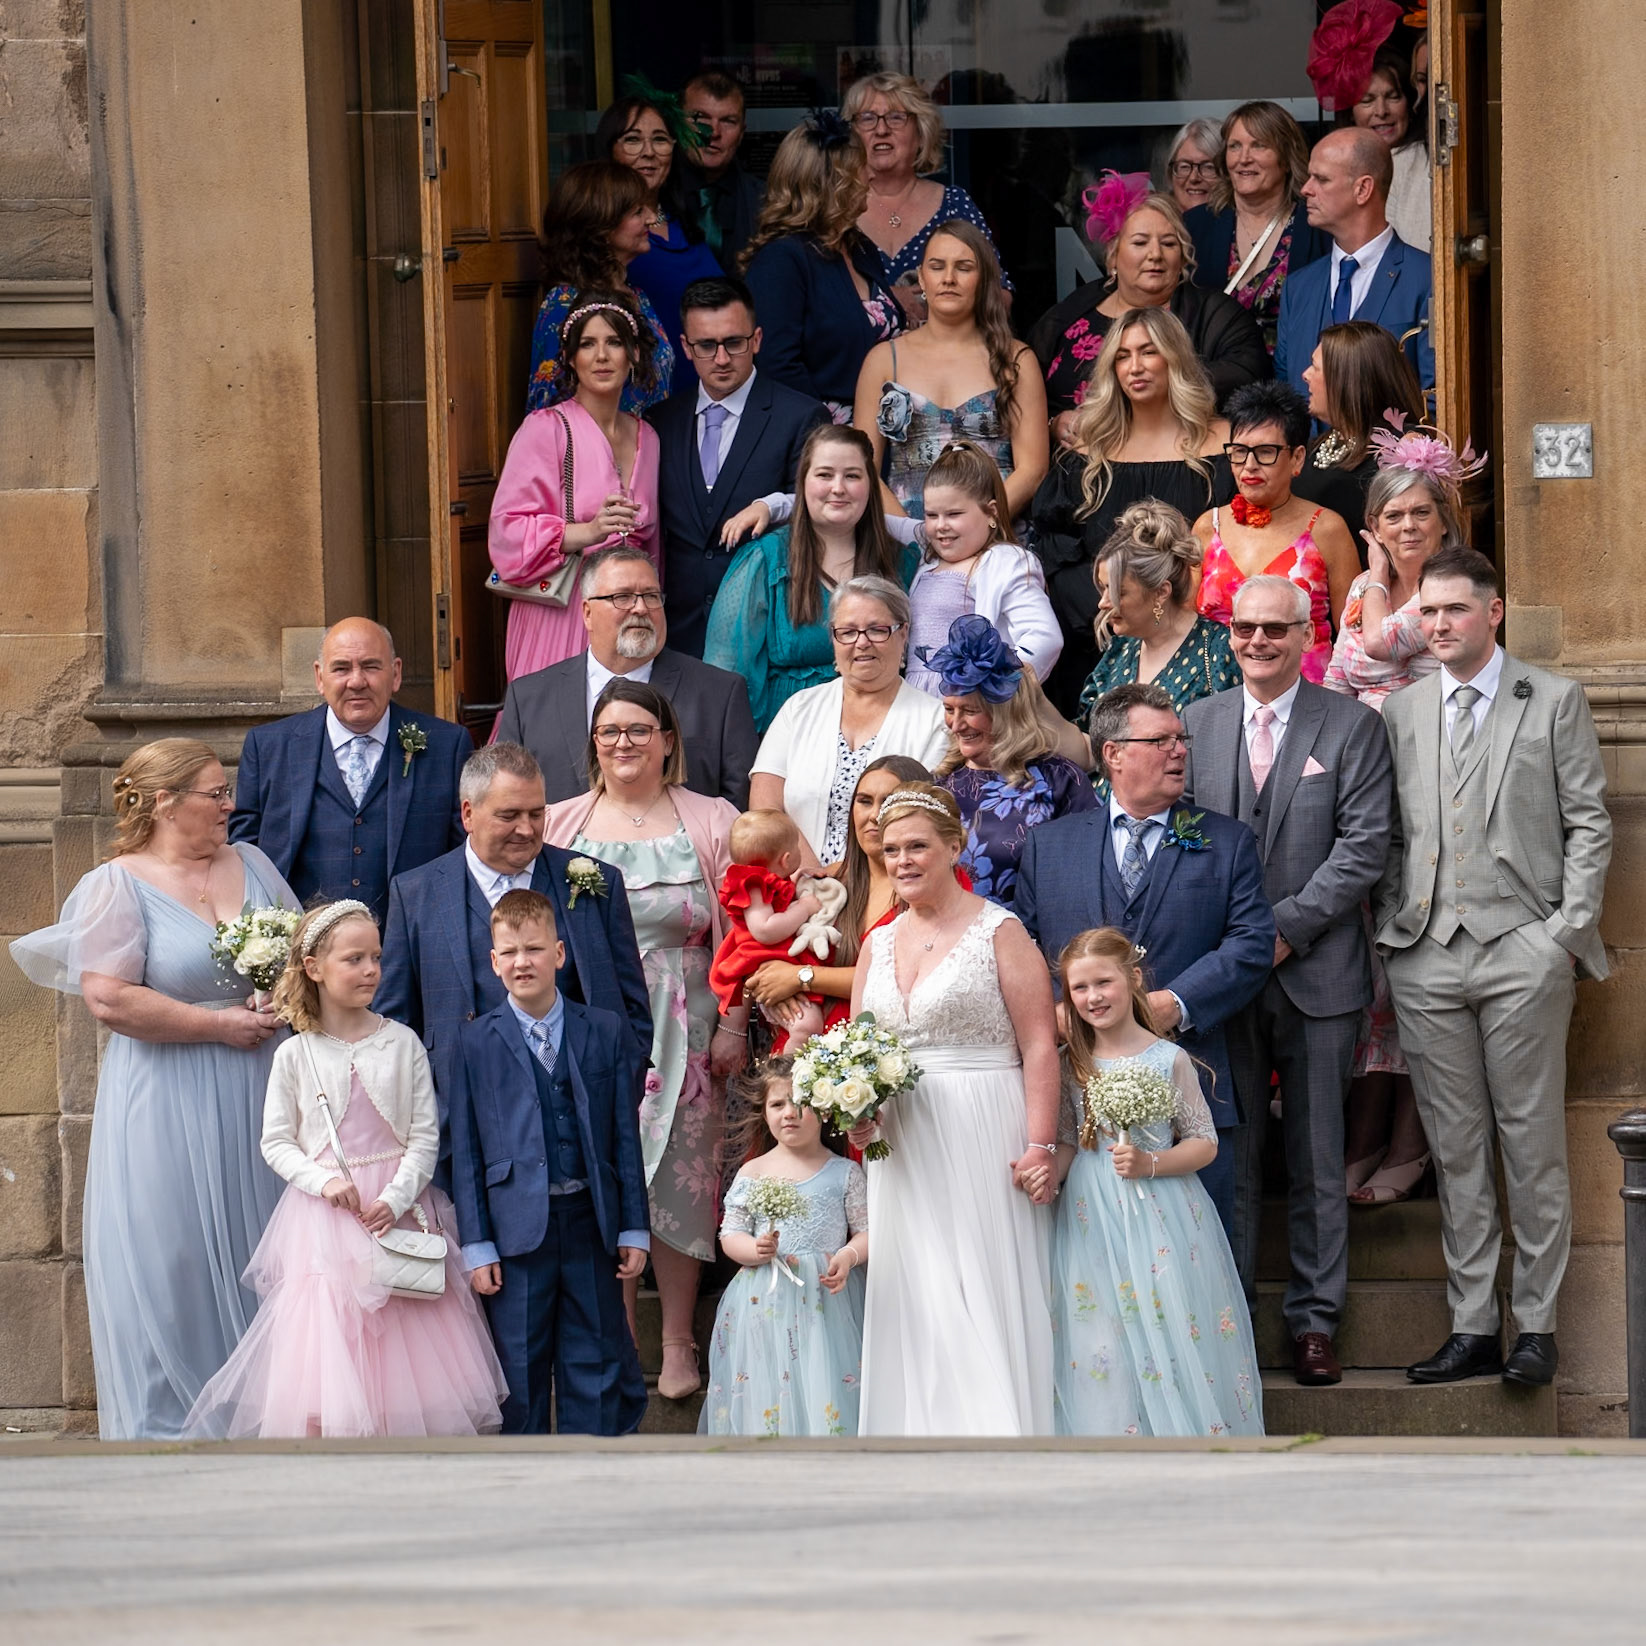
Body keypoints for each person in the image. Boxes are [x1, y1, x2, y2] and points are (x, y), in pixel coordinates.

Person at [9, 739, 299, 1440]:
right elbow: (109, 1001)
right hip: (166, 1100)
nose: (230, 805)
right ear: (165, 803)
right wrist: (215, 1025)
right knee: (173, 1264)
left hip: (262, 1095)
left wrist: (282, 999)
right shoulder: (118, 883)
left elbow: (304, 957)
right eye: (214, 794)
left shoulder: (253, 864)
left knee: (268, 1255)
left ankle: (271, 1424)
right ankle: (169, 1434)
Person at [1378, 546, 1612, 1390]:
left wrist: (1563, 933)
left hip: (1525, 947)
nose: (1438, 625)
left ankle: (1537, 1328)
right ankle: (1473, 1324)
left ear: (1494, 612)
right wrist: (1391, 931)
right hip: (1427, 952)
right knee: (1456, 1146)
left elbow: (1589, 822)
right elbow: (1392, 837)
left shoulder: (1551, 699)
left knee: (1532, 1142)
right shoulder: (1401, 712)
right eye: (1428, 613)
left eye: (1454, 611)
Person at [183, 901, 507, 1438]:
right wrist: (324, 1180)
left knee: (406, 1344)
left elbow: (425, 1135)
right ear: (314, 968)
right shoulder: (295, 1054)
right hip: (326, 1225)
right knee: (330, 1349)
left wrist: (399, 1196)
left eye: (376, 957)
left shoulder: (400, 1041)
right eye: (354, 959)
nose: (370, 970)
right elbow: (277, 1142)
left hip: (396, 1213)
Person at [1182, 576, 1394, 1389]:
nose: (1259, 641)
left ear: (1309, 634)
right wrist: (1236, 945)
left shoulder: (1350, 725)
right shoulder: (1195, 726)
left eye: (1276, 628)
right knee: (1228, 1156)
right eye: (1245, 628)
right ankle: (1230, 1313)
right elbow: (1186, 837)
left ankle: (1313, 1321)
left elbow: (1365, 847)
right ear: (1229, 635)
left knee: (1315, 1157)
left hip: (1319, 971)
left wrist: (1283, 930)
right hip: (1223, 977)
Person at [539, 679, 744, 1405]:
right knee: (608, 1174)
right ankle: (621, 1334)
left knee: (682, 1182)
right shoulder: (560, 822)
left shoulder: (712, 819)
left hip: (688, 1021)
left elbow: (744, 929)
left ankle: (680, 1338)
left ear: (667, 740)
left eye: (637, 729)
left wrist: (733, 1021)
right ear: (592, 744)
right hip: (591, 1027)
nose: (622, 742)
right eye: (609, 731)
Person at [1014, 682, 1274, 1229]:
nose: (1179, 751)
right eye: (1162, 741)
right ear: (1114, 754)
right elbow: (1026, 950)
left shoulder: (1225, 841)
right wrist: (1056, 1009)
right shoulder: (1048, 846)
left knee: (1205, 1251)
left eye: (1181, 739)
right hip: (1080, 1104)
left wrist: (1175, 1003)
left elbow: (1251, 943)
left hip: (1194, 1081)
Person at [852, 783, 1057, 1435]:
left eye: (918, 846)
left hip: (984, 1126)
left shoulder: (999, 930)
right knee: (919, 1290)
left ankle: (995, 1431)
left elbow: (1039, 1045)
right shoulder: (876, 945)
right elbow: (860, 1051)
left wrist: (1042, 1144)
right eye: (891, 850)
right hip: (902, 1140)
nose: (904, 860)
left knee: (978, 1283)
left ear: (953, 846)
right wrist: (857, 1115)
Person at [1326, 444, 1477, 1208]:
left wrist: (1380, 582)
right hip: (1366, 798)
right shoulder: (1363, 586)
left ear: (1444, 517)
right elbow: (1334, 678)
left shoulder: (1454, 585)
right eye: (1393, 514)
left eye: (1421, 511)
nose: (1409, 524)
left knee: (1420, 979)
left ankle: (1412, 1149)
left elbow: (1379, 651)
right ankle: (1368, 1137)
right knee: (1373, 982)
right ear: (1372, 522)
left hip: (1435, 796)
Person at [375, 742, 651, 1143]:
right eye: (509, 815)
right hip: (463, 1128)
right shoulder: (414, 893)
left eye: (536, 814)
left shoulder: (597, 882)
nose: (527, 829)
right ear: (468, 813)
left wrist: (620, 1089)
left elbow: (631, 1005)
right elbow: (395, 1022)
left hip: (584, 1123)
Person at [449, 889, 651, 1434]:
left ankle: (596, 1474)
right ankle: (526, 1480)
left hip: (590, 1218)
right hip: (515, 1233)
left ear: (559, 954)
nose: (522, 962)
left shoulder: (604, 1030)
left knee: (599, 1356)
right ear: (493, 961)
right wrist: (477, 1244)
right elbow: (466, 1148)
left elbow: (623, 1138)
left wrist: (634, 1224)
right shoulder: (473, 1042)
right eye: (509, 952)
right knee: (520, 1363)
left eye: (534, 949)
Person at [1048, 927, 1262, 1437]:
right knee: (1101, 1327)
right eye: (1079, 988)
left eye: (1104, 982)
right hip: (1091, 1212)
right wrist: (1045, 1179)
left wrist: (1151, 1163)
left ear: (1133, 979)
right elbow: (1067, 1142)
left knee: (1168, 1319)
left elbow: (1204, 1142)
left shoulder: (1169, 1058)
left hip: (1163, 1213)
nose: (1093, 997)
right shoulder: (1071, 1064)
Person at [1030, 307, 1234, 712]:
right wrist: (1119, 609)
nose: (1135, 367)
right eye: (1122, 356)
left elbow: (1239, 541)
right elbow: (1055, 549)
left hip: (1206, 646)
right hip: (1099, 644)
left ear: (1174, 358)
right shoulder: (1086, 455)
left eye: (1148, 352)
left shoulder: (1225, 444)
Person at [229, 619, 470, 925]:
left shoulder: (447, 746)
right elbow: (244, 854)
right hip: (301, 947)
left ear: (395, 673)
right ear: (320, 677)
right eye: (341, 668)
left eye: (370, 666)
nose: (356, 681)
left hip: (409, 943)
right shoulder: (269, 747)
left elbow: (464, 851)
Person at [644, 275, 829, 657]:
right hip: (677, 636)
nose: (722, 358)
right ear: (686, 347)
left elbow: (823, 507)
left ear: (757, 340)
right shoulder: (659, 421)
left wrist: (773, 503)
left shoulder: (801, 415)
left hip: (766, 630)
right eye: (707, 346)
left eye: (734, 342)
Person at [495, 545, 757, 807]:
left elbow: (739, 810)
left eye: (651, 596)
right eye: (623, 597)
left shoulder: (719, 693)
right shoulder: (528, 699)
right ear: (587, 613)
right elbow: (507, 797)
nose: (641, 608)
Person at [490, 292, 660, 681]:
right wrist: (588, 531)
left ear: (633, 353)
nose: (601, 356)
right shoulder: (545, 429)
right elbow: (506, 535)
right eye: (588, 344)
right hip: (560, 611)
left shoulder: (648, 438)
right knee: (553, 729)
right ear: (570, 357)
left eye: (614, 342)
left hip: (627, 619)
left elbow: (655, 552)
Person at [705, 426, 918, 733]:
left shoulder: (901, 565)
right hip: (786, 744)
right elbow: (729, 677)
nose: (838, 488)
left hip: (883, 742)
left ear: (871, 485)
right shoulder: (765, 560)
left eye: (853, 476)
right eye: (825, 475)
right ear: (802, 483)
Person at [700, 1058, 868, 1436]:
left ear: (825, 1110)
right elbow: (731, 1233)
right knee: (768, 1381)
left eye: (802, 1102)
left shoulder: (843, 1172)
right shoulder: (753, 1172)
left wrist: (848, 1255)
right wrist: (754, 1248)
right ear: (764, 1112)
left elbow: (867, 1230)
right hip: (765, 1301)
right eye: (778, 1105)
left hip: (826, 1302)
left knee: (823, 1376)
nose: (790, 1113)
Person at [1029, 189, 1269, 435]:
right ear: (1113, 255)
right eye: (1140, 243)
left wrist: (1147, 395)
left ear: (1182, 256)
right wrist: (1053, 423)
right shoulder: (1076, 307)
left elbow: (1248, 372)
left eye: (1168, 243)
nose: (1155, 255)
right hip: (1073, 464)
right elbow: (1024, 383)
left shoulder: (1216, 313)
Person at [748, 576, 948, 867]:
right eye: (848, 632)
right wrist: (815, 880)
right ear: (833, 638)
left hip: (892, 892)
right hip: (796, 887)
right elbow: (766, 807)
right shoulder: (799, 708)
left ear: (903, 634)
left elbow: (923, 820)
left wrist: (850, 886)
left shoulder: (935, 720)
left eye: (877, 630)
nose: (862, 642)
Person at [856, 222, 1048, 520]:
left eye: (963, 267)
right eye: (937, 266)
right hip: (905, 540)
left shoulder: (1018, 360)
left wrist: (978, 528)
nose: (948, 278)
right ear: (921, 276)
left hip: (994, 538)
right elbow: (863, 467)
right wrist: (913, 538)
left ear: (983, 278)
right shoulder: (883, 361)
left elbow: (1033, 470)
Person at [741, 755, 935, 1037]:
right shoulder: (824, 881)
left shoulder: (935, 886)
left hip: (888, 1051)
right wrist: (769, 977)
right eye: (865, 801)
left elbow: (909, 976)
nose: (874, 815)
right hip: (806, 1048)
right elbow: (755, 948)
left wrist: (800, 977)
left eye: (889, 802)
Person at [1194, 380, 1361, 684]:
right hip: (1213, 697)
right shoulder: (1208, 527)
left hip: (1306, 699)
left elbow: (1353, 635)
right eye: (1239, 452)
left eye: (1266, 452)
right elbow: (1182, 626)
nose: (1250, 465)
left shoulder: (1327, 529)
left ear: (1297, 458)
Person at [743, 115, 904, 418]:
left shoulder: (858, 246)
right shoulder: (781, 259)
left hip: (881, 428)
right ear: (834, 184)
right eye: (861, 166)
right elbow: (777, 365)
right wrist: (825, 434)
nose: (870, 173)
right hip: (823, 442)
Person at [929, 615, 1097, 906]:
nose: (956, 725)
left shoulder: (1058, 780)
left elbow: (1092, 869)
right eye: (949, 709)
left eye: (969, 711)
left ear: (1004, 712)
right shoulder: (940, 786)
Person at [1275, 128, 1434, 395]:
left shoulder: (1426, 279)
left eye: (1321, 179)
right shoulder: (1298, 287)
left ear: (1363, 189)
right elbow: (1286, 395)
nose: (1305, 189)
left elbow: (1436, 397)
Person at [841, 70, 1011, 320]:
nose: (881, 129)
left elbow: (1001, 297)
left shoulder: (954, 204)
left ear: (920, 133)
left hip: (945, 356)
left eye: (896, 117)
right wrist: (889, 299)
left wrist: (936, 304)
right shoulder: (834, 206)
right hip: (856, 359)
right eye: (867, 118)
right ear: (852, 132)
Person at [904, 442, 1061, 693]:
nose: (940, 525)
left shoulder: (1005, 561)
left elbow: (1045, 637)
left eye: (954, 514)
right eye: (931, 515)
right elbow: (880, 521)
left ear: (991, 513)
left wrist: (992, 688)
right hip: (917, 704)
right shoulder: (928, 552)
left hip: (971, 708)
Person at [1077, 501, 1242, 738]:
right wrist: (1034, 700)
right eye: (1103, 589)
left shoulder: (1217, 650)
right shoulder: (1119, 650)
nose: (1103, 603)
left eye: (1117, 592)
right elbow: (1089, 747)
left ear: (1161, 592)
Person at [596, 88, 722, 394]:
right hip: (636, 399)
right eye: (633, 139)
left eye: (660, 140)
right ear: (610, 148)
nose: (649, 152)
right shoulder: (604, 234)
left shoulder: (688, 223)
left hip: (705, 395)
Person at [526, 160, 676, 416]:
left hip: (648, 450)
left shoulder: (638, 297)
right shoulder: (565, 305)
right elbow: (550, 411)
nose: (652, 219)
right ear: (603, 226)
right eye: (638, 212)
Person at [1183, 102, 1332, 357]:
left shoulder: (1318, 227)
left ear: (1285, 159)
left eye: (1259, 145)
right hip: (1214, 383)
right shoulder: (1195, 225)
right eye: (1235, 146)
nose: (1244, 158)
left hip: (1294, 382)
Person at [1294, 320, 1427, 542]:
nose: (1305, 375)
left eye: (1315, 367)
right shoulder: (1320, 444)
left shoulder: (1402, 446)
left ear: (1346, 380)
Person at [708, 809, 831, 1047]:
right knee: (807, 1025)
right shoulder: (753, 886)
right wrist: (803, 908)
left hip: (783, 964)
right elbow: (765, 928)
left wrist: (800, 878)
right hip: (765, 966)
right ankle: (790, 1075)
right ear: (786, 859)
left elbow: (779, 900)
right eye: (797, 847)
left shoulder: (769, 880)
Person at [1352, 47, 1431, 253]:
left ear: (1411, 102)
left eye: (1393, 97)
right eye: (1367, 101)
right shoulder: (1338, 169)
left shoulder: (1428, 164)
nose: (1381, 111)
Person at [682, 72, 764, 268]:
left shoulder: (765, 201)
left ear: (742, 133)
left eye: (728, 121)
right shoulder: (655, 196)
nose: (714, 133)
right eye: (700, 119)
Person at [1162, 117, 1223, 217]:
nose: (1194, 178)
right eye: (1184, 167)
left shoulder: (1239, 228)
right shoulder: (1154, 224)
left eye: (1208, 167)